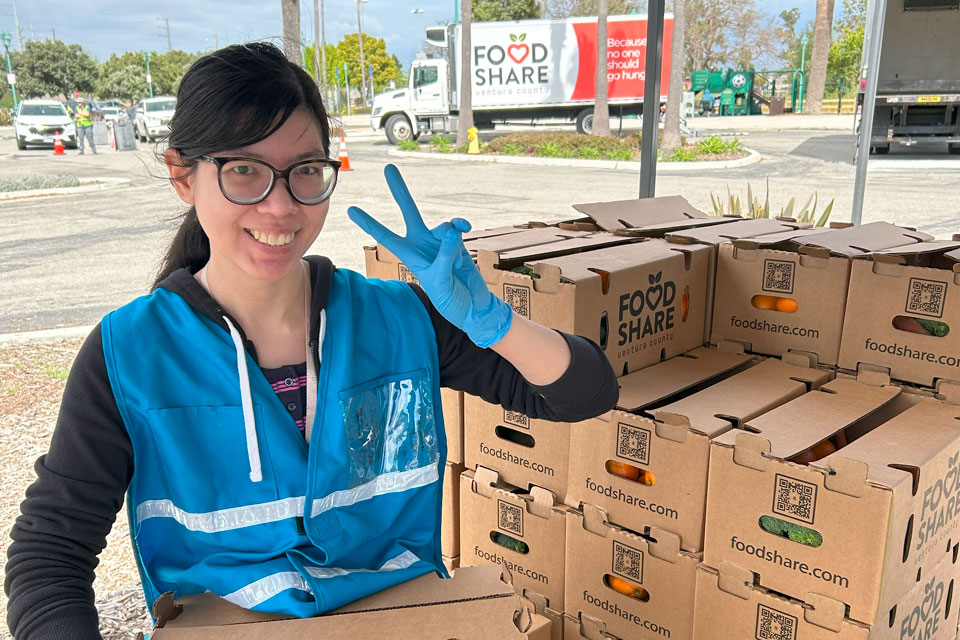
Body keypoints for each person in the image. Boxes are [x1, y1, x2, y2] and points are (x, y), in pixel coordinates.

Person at [5, 42, 618, 638]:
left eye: (305, 171)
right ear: (182, 175)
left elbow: (584, 395)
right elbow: (50, 554)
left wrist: (494, 323)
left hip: (402, 623)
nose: (280, 207)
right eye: (244, 170)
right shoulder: (130, 354)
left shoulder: (398, 321)